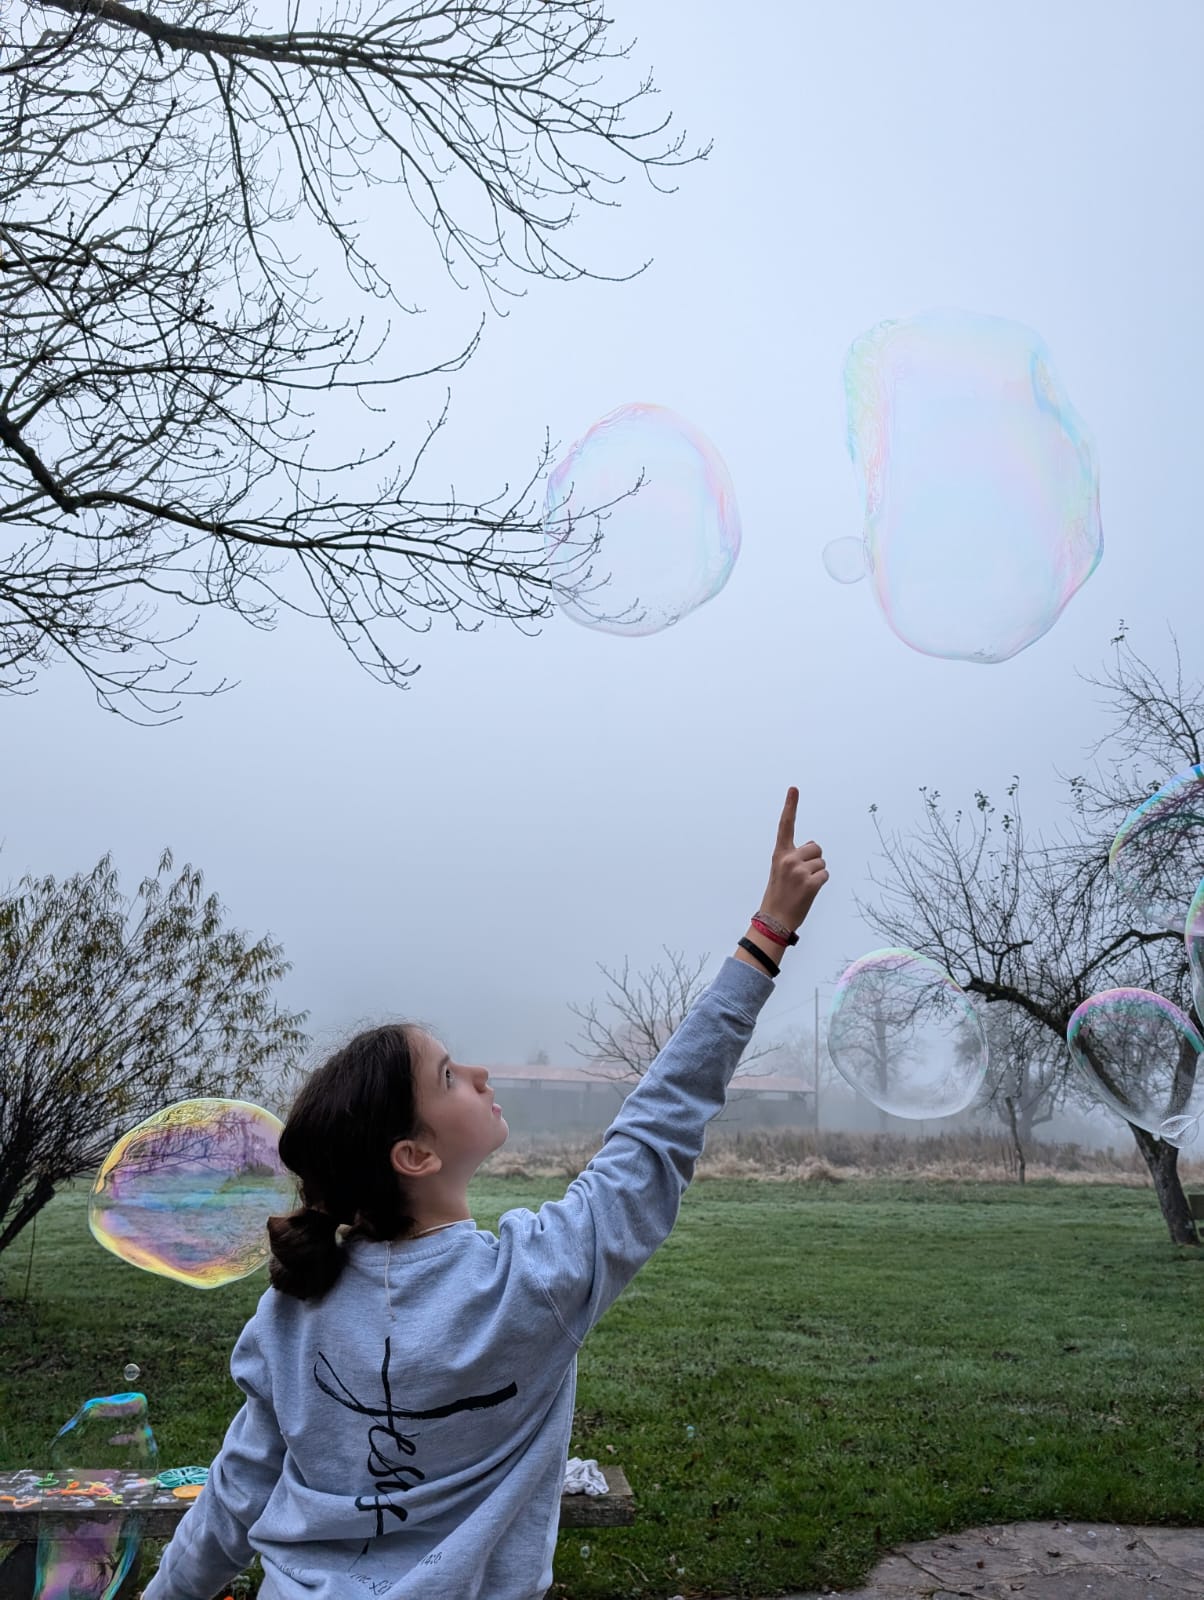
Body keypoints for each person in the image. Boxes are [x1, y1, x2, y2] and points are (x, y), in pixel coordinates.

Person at [142, 789, 828, 1600]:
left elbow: (232, 1501)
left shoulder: (292, 1313)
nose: (480, 1074)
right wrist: (766, 937)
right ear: (413, 1154)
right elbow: (656, 1131)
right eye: (448, 1075)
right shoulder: (533, 1285)